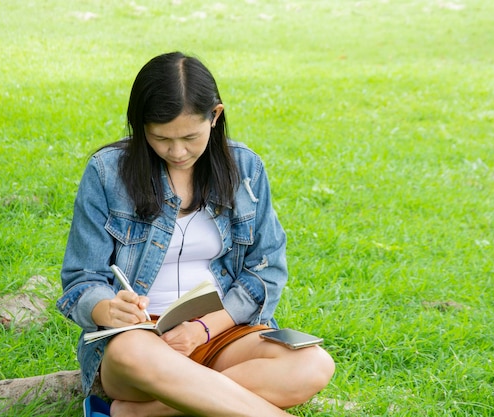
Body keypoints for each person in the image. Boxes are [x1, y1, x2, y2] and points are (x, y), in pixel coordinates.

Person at [57, 51, 335, 417]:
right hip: (143, 342)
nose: (177, 151)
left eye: (190, 136)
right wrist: (108, 308)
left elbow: (265, 270)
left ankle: (137, 413)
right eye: (160, 138)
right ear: (141, 125)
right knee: (130, 352)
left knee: (313, 364)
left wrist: (202, 330)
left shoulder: (245, 168)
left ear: (215, 116)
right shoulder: (107, 173)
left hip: (220, 331)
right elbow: (81, 278)